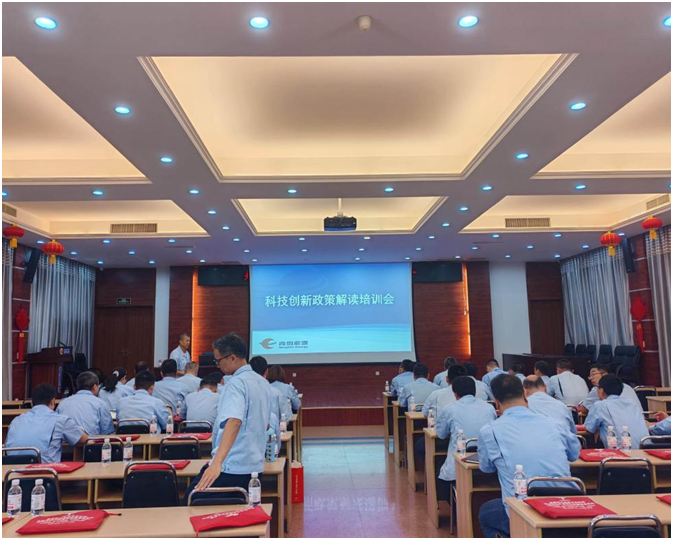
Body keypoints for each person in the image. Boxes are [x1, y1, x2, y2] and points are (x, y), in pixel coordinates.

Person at [478, 375, 581, 538]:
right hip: (567, 506)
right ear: (525, 394)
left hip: (523, 511)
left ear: (496, 402)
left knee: (485, 513)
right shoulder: (555, 424)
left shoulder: (490, 431)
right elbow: (574, 455)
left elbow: (486, 468)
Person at [185, 333, 272, 502]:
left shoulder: (236, 383)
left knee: (191, 499)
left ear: (232, 358)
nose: (217, 365)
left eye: (218, 361)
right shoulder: (262, 382)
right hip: (254, 464)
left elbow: (234, 421)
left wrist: (217, 463)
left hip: (232, 464)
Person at [435, 376, 497, 499]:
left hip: (460, 461)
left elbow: (441, 435)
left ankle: (453, 505)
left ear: (455, 393)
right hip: (487, 462)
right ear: (474, 391)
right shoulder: (489, 408)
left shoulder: (450, 409)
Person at [6, 384, 87, 463]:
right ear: (52, 402)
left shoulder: (16, 420)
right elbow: (85, 440)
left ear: (32, 404)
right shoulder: (60, 420)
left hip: (11, 470)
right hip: (44, 470)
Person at [584, 374, 649, 450]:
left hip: (620, 452)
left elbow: (589, 428)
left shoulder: (599, 405)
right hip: (645, 449)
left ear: (601, 390)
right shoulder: (632, 403)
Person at [57, 371, 115, 436]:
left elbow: (57, 428)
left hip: (66, 441)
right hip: (91, 441)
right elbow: (107, 432)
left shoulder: (63, 403)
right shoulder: (101, 404)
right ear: (95, 387)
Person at [578, 364, 643, 414]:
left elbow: (584, 409)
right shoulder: (627, 386)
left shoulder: (598, 389)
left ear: (605, 374)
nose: (591, 378)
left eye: (593, 374)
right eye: (590, 376)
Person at [251, 356, 292, 424]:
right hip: (273, 430)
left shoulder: (242, 392)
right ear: (267, 371)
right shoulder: (277, 393)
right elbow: (286, 418)